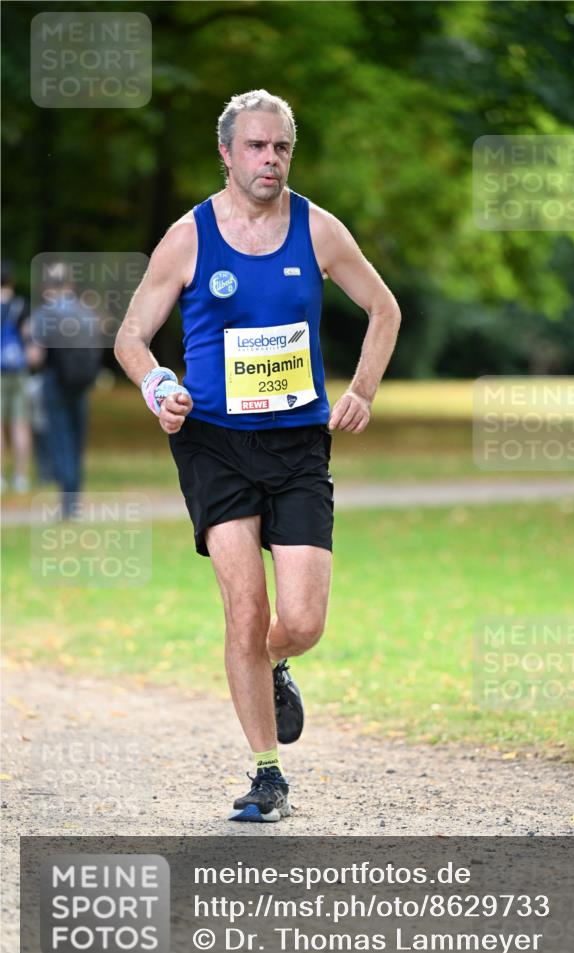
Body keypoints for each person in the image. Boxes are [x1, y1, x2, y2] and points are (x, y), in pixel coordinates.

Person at [114, 89, 400, 822]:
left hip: (299, 442)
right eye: (254, 146)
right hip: (211, 441)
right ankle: (267, 773)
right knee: (245, 609)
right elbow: (131, 335)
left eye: (279, 147)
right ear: (226, 152)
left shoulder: (318, 229)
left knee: (300, 621)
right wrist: (158, 387)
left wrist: (362, 390)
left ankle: (277, 662)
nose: (268, 159)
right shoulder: (187, 237)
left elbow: (383, 309)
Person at [28, 262, 102, 518]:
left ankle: (67, 504)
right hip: (81, 384)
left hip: (55, 382)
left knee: (61, 440)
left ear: (48, 286)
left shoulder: (43, 314)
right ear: (70, 285)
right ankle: (75, 499)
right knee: (77, 439)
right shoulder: (86, 312)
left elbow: (35, 356)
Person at [1, 261, 31, 493]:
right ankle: (20, 476)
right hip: (19, 371)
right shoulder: (20, 306)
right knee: (20, 424)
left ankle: (1, 477)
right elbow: (29, 339)